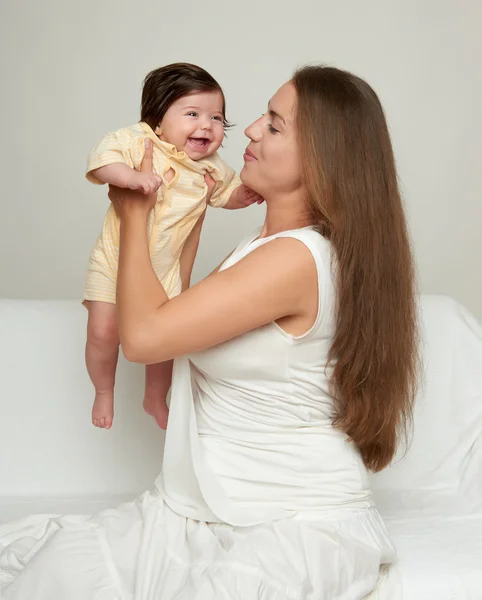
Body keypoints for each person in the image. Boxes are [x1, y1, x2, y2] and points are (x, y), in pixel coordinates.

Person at [0, 65, 419, 599]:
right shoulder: (264, 247)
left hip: (289, 521)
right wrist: (178, 216)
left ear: (321, 157)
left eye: (273, 124)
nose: (246, 131)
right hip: (210, 509)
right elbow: (172, 310)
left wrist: (134, 216)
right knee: (50, 575)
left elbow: (146, 337)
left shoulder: (295, 258)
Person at [84, 62, 262, 430]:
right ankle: (103, 389)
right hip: (114, 260)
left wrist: (247, 194)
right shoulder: (139, 142)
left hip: (164, 270)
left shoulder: (210, 167)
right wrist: (131, 176)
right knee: (103, 332)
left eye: (216, 118)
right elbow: (104, 160)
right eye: (193, 114)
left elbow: (227, 195)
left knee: (165, 342)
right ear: (157, 121)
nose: (206, 125)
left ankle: (155, 396)